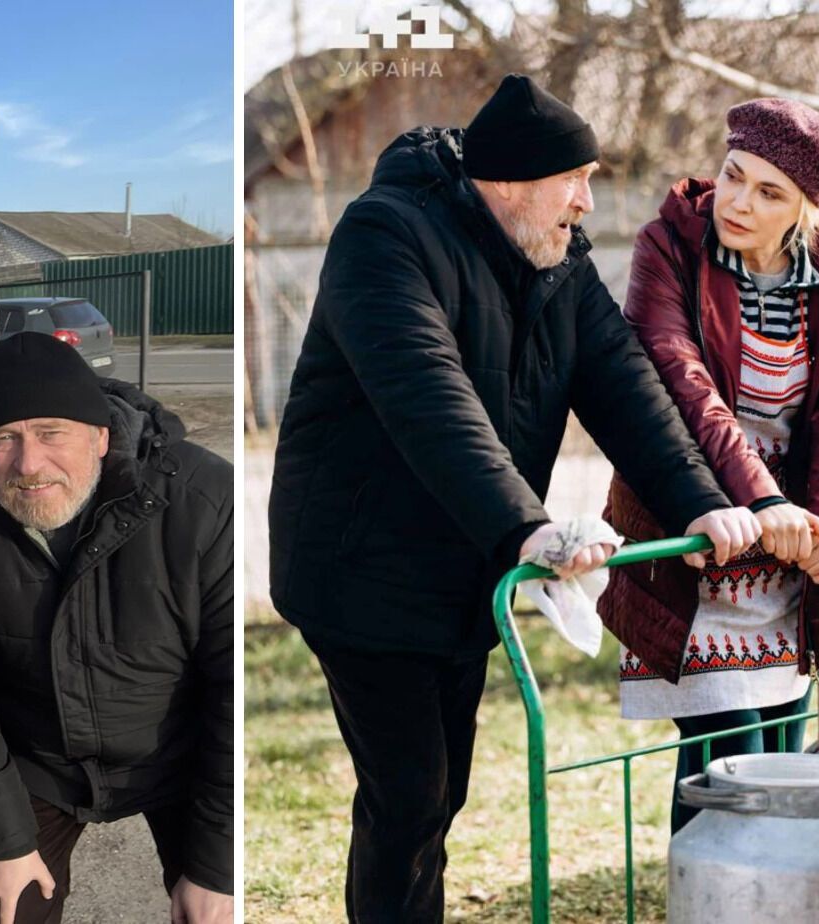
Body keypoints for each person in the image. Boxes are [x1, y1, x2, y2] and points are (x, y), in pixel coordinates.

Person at [266, 73, 762, 922]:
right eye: (574, 180)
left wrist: (701, 503)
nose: (585, 202)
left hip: (462, 570)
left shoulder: (556, 261)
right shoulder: (384, 236)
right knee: (410, 795)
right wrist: (527, 528)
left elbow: (629, 389)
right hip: (358, 568)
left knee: (438, 794)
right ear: (507, 183)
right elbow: (429, 398)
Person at [600, 98, 819, 831]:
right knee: (726, 758)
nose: (739, 202)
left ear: (805, 210)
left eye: (769, 192)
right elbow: (680, 383)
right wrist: (762, 505)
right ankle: (711, 898)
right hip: (705, 523)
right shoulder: (669, 247)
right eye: (733, 176)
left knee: (786, 744)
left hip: (791, 547)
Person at [0, 332, 233, 924]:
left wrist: (216, 864)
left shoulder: (204, 501)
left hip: (182, 755)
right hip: (42, 764)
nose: (29, 464)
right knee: (3, 913)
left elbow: (236, 688)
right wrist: (2, 839)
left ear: (102, 436)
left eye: (51, 433)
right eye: (3, 438)